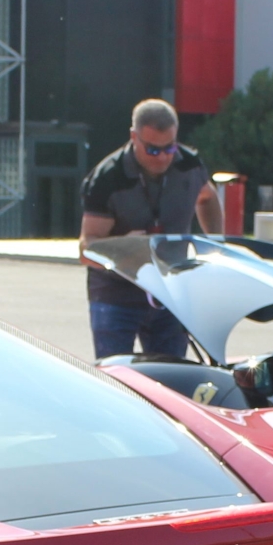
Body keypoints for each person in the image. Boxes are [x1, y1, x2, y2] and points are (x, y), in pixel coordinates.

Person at [80, 98, 224, 359]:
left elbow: (208, 197)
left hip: (171, 291)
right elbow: (86, 247)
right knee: (117, 377)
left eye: (169, 148)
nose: (163, 158)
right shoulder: (107, 178)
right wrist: (122, 248)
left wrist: (215, 242)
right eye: (153, 151)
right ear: (134, 137)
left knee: (174, 378)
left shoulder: (189, 164)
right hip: (117, 296)